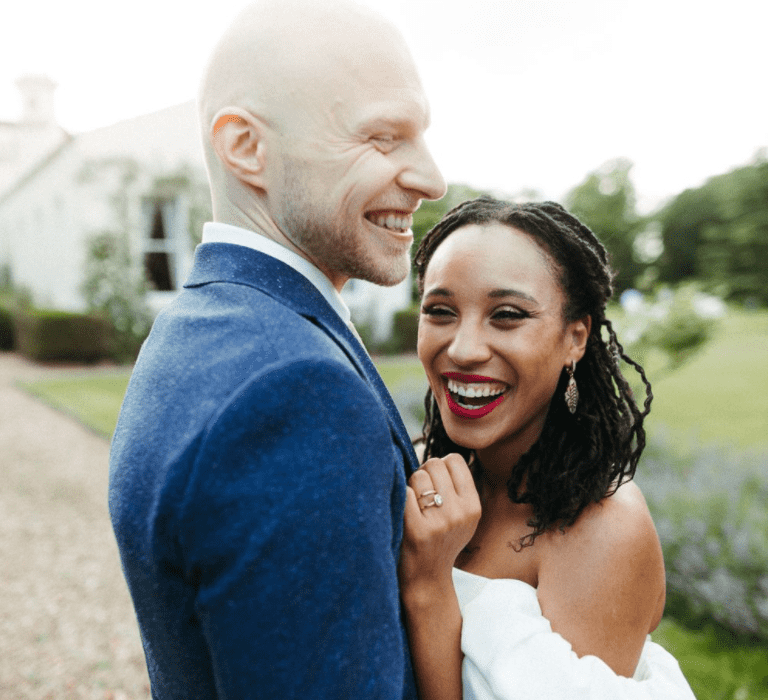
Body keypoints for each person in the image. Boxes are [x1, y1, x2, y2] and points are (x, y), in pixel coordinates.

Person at [108, 1, 445, 697]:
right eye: (383, 138)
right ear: (245, 148)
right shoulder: (295, 393)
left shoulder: (197, 328)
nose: (431, 178)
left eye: (421, 137)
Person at [398, 197, 696, 699]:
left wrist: (429, 587)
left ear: (575, 338)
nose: (464, 349)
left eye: (508, 315)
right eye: (441, 311)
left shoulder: (604, 529)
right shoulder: (421, 468)